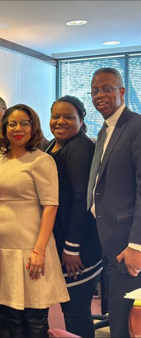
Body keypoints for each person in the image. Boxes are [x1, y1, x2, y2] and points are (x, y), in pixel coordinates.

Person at [0, 104, 69, 338]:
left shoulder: (41, 160)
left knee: (34, 317)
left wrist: (39, 250)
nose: (18, 128)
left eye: (24, 123)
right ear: (4, 128)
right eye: (11, 123)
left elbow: (50, 206)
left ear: (33, 127)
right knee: (8, 314)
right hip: (4, 246)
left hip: (32, 246)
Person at [87, 67, 141, 337]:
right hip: (108, 240)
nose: (100, 95)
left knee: (126, 322)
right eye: (95, 90)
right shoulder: (105, 130)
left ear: (122, 91)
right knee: (118, 316)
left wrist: (136, 244)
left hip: (127, 244)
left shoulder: (137, 127)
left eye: (107, 88)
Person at [46, 96, 102, 338]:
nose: (61, 121)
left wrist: (71, 247)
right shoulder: (53, 144)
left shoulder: (79, 148)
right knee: (71, 309)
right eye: (56, 116)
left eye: (69, 117)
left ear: (81, 119)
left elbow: (82, 201)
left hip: (79, 248)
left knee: (76, 312)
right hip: (65, 241)